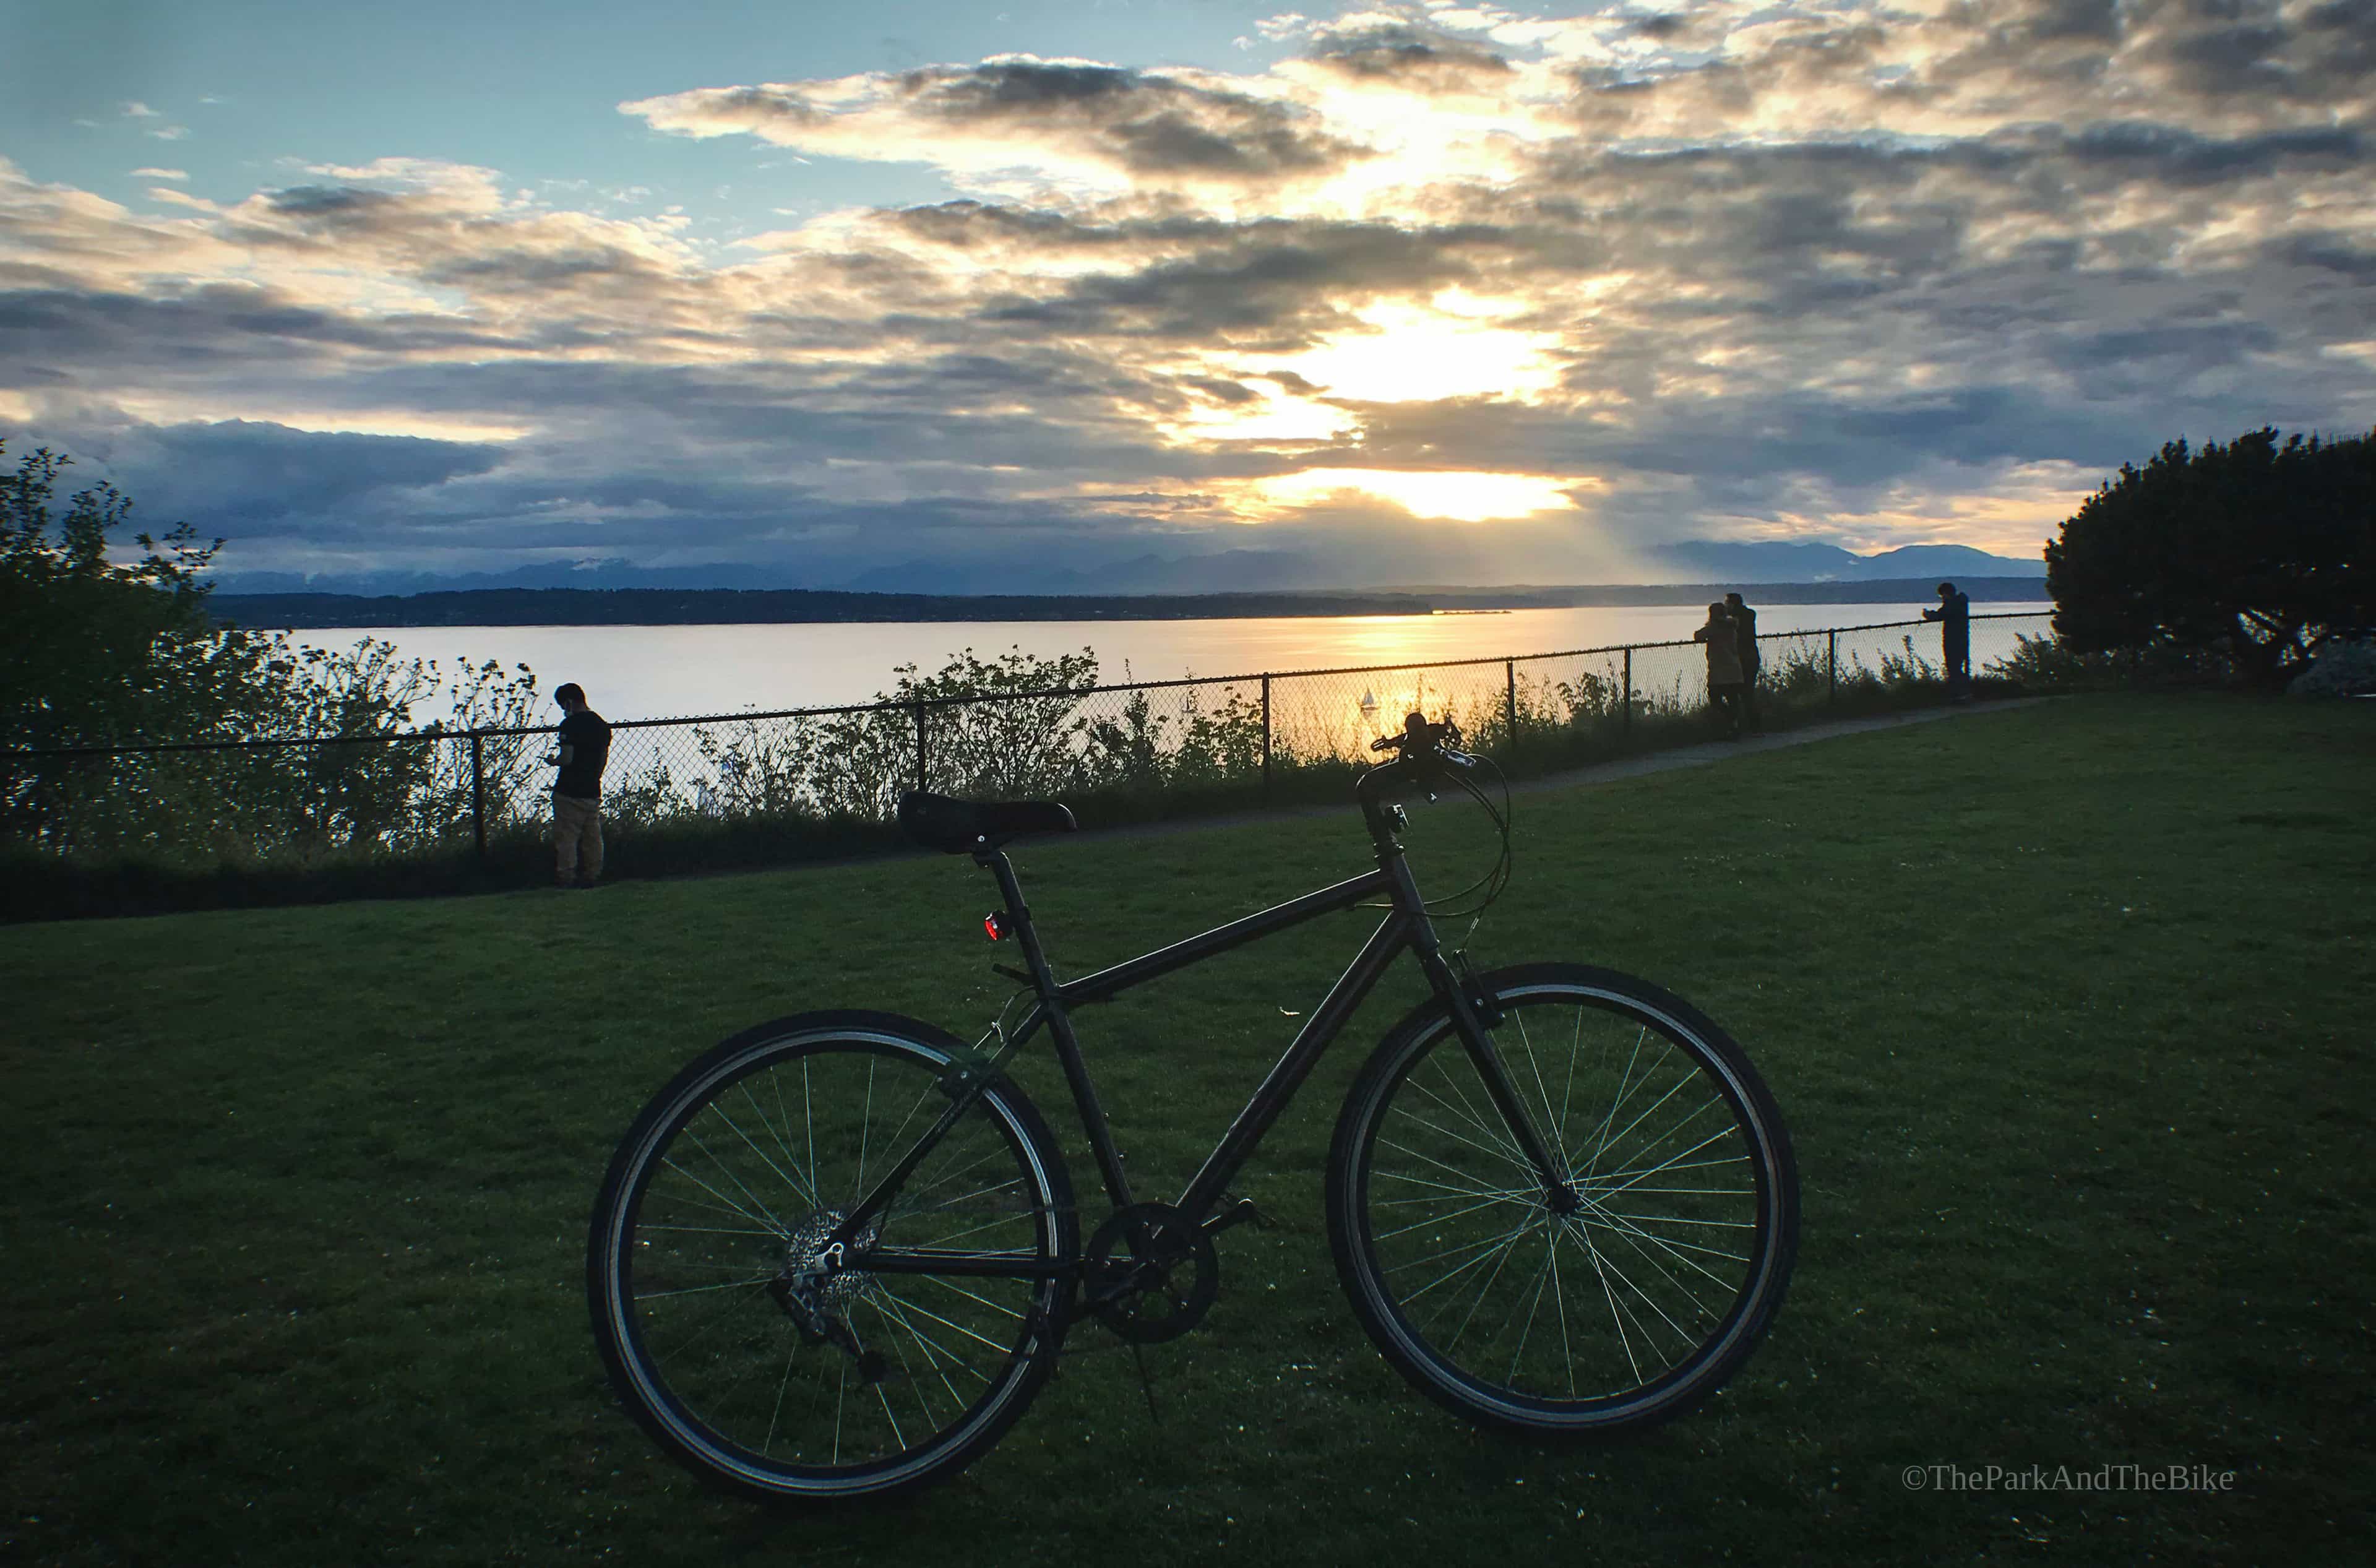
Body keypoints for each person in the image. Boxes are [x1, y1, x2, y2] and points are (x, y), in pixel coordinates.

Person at [547, 683, 612, 887]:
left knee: (567, 838)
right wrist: (595, 777)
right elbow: (603, 759)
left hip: (568, 790)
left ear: (568, 703)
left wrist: (553, 761)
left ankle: (567, 877)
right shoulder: (601, 725)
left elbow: (567, 758)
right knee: (593, 837)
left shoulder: (569, 726)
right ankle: (593, 874)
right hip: (591, 789)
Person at [1693, 601, 1747, 739]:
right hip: (1734, 669)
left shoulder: (1714, 627)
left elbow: (1698, 636)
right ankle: (1734, 726)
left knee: (1716, 700)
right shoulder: (1732, 626)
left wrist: (1708, 626)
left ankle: (1730, 723)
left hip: (1719, 670)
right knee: (1733, 700)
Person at [1923, 581, 1973, 702]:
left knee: (1953, 667)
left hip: (1953, 640)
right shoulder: (1961, 603)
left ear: (1945, 594)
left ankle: (1958, 695)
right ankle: (1964, 693)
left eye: (1942, 596)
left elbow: (1941, 615)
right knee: (1960, 667)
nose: (1942, 599)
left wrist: (1927, 614)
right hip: (1963, 639)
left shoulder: (1951, 605)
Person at [1725, 591, 1760, 731]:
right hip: (1752, 657)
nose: (1725, 606)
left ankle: (1739, 727)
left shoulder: (1734, 620)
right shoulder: (1750, 614)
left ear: (1733, 604)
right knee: (1748, 694)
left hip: (1741, 659)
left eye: (1727, 603)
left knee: (1738, 694)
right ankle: (1754, 727)